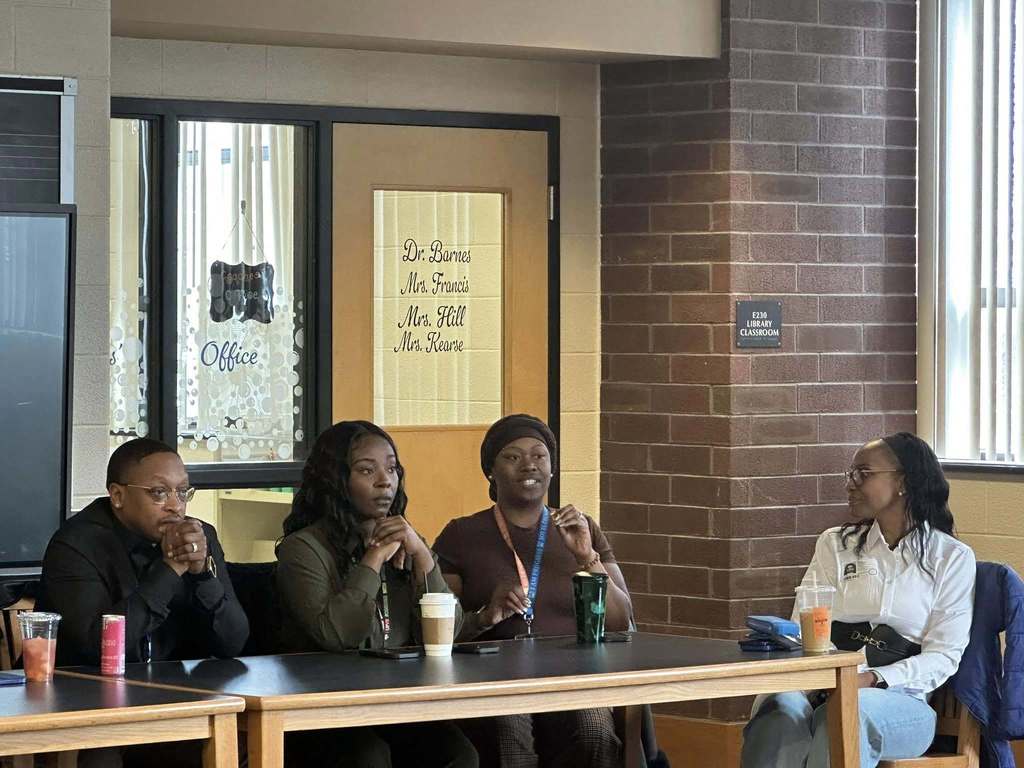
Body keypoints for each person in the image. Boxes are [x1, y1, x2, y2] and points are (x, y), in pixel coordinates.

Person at [741, 433, 977, 768]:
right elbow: (799, 630)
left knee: (844, 714)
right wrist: (821, 679)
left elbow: (943, 656)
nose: (850, 484)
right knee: (778, 707)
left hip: (898, 700)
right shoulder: (834, 545)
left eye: (863, 474)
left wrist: (872, 678)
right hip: (820, 683)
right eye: (850, 474)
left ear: (904, 483)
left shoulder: (951, 558)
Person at [433, 413, 632, 768]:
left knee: (594, 734)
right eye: (513, 456)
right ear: (490, 471)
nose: (529, 465)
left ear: (552, 468)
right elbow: (438, 630)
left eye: (539, 456)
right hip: (496, 677)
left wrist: (588, 557)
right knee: (510, 737)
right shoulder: (461, 535)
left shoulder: (581, 528)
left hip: (573, 676)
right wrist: (484, 617)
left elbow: (620, 621)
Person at [36, 437, 249, 768]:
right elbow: (96, 647)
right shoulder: (76, 545)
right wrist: (170, 569)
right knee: (103, 753)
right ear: (118, 495)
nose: (175, 506)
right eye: (159, 493)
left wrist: (202, 575)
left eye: (183, 492)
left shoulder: (199, 536)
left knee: (239, 740)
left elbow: (233, 641)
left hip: (172, 695)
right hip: (84, 699)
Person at [276, 420, 478, 768]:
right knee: (368, 757)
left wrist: (422, 556)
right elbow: (338, 635)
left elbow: (449, 630)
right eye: (367, 470)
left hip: (394, 700)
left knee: (458, 754)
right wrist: (373, 558)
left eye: (392, 468)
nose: (385, 480)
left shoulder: (407, 542)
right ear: (336, 480)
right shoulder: (303, 548)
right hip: (324, 707)